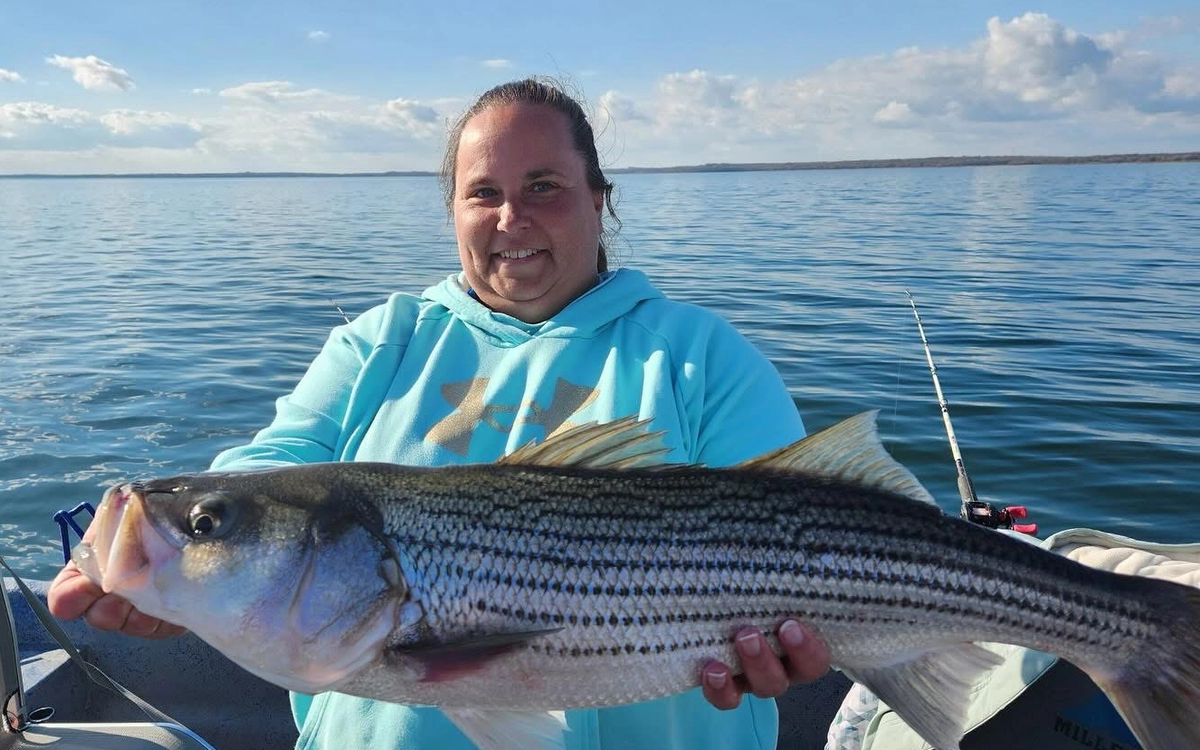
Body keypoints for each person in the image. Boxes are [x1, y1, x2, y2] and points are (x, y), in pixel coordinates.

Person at [48, 77, 831, 750]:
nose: (509, 217)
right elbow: (274, 466)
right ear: (453, 210)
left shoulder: (701, 357)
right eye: (482, 192)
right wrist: (185, 566)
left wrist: (798, 641)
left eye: (544, 188)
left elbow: (804, 523)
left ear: (600, 200)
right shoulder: (380, 342)